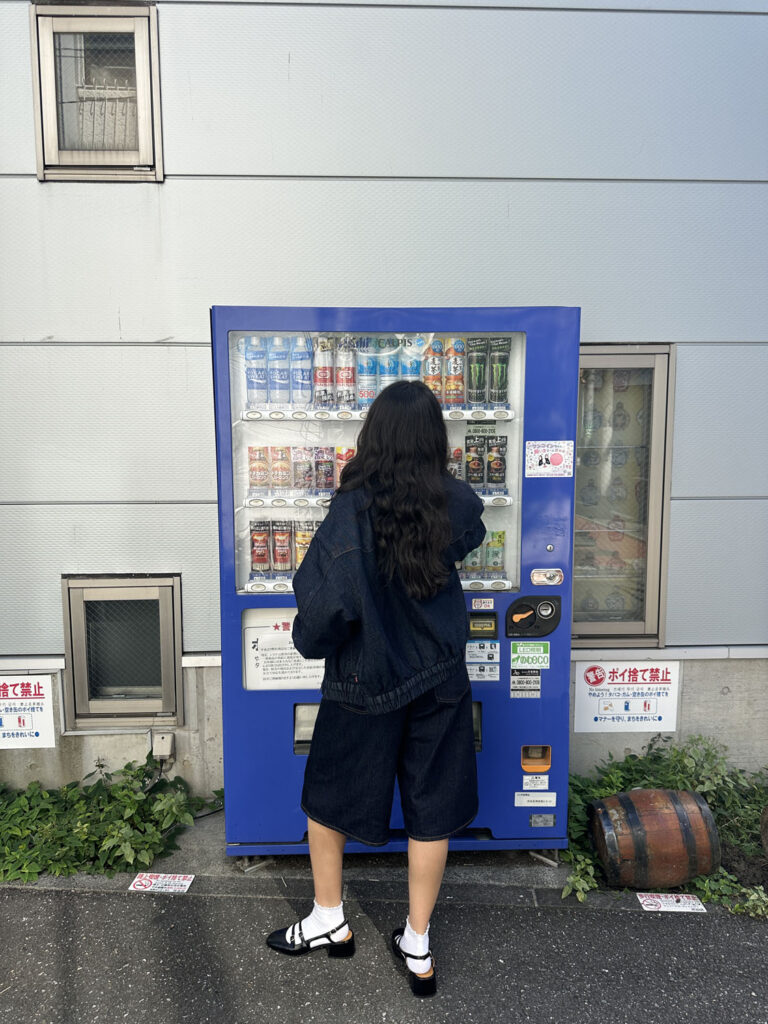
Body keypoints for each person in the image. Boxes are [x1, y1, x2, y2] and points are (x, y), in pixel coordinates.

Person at [266, 380, 485, 998]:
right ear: (433, 440)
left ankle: (329, 919)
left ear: (374, 437)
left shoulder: (350, 512)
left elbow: (324, 609)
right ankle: (417, 943)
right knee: (431, 808)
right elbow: (468, 533)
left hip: (364, 682)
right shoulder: (455, 502)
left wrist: (311, 639)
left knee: (328, 799)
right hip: (439, 679)